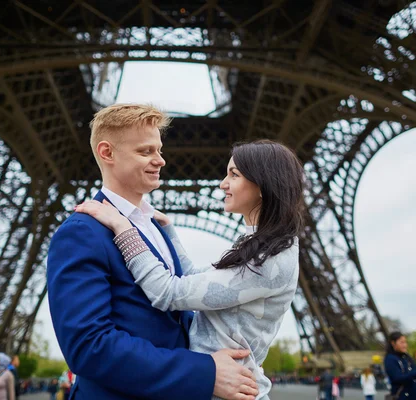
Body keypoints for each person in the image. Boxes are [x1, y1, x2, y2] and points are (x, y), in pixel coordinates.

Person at [47, 104, 258, 400]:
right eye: (145, 151)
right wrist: (205, 372)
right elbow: (88, 345)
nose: (160, 160)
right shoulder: (82, 232)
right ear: (107, 153)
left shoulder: (158, 227)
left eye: (159, 150)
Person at [76, 139, 304, 400]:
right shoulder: (262, 245)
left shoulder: (270, 261)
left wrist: (124, 230)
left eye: (234, 174)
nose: (222, 183)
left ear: (262, 185)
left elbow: (169, 292)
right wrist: (169, 234)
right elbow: (197, 281)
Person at [384, 332, 416, 400]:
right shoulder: (390, 359)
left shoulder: (407, 357)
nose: (405, 345)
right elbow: (397, 378)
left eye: (405, 342)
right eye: (402, 342)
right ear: (393, 343)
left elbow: (415, 379)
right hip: (402, 397)